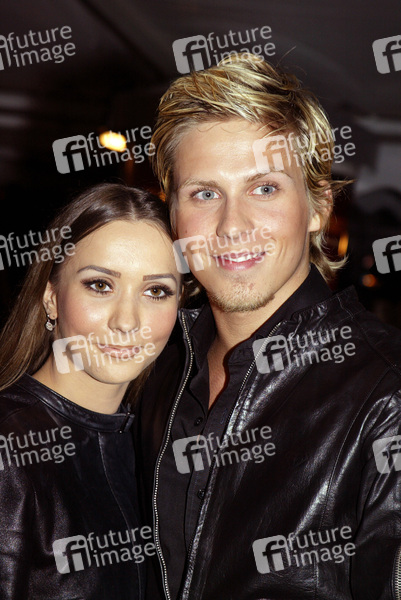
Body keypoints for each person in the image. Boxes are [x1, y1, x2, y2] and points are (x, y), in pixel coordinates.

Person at [134, 54, 401, 600]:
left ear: (318, 206)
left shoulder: (387, 397)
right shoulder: (149, 365)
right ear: (174, 216)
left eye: (264, 188)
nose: (232, 226)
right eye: (205, 193)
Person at [0, 182, 181, 599]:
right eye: (100, 285)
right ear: (51, 297)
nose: (127, 321)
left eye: (156, 291)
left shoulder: (158, 446)